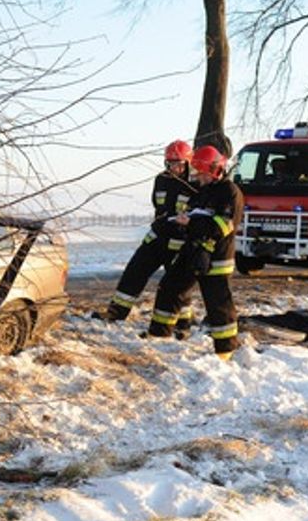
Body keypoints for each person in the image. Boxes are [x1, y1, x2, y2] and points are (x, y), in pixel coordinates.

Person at [144, 144, 244, 361]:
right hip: (192, 251)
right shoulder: (203, 191)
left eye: (203, 174)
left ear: (216, 170)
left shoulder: (230, 193)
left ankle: (225, 350)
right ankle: (159, 335)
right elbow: (192, 214)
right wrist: (181, 222)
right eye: (198, 174)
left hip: (216, 257)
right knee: (169, 287)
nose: (199, 179)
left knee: (218, 303)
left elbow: (222, 227)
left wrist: (192, 222)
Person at [92, 140, 197, 323]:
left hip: (179, 241)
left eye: (178, 163)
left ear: (188, 162)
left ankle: (183, 322)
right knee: (134, 272)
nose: (174, 168)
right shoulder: (161, 180)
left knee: (177, 284)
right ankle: (116, 313)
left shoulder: (195, 185)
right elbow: (158, 205)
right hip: (157, 236)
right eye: (170, 163)